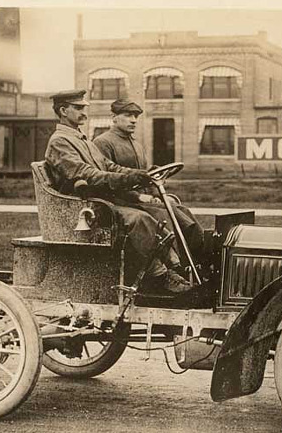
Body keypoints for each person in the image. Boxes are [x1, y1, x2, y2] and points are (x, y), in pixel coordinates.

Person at [44, 89, 190, 294]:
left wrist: (140, 174)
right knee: (139, 218)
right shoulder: (59, 141)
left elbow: (109, 166)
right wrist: (129, 178)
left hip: (100, 202)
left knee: (155, 214)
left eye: (84, 107)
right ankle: (160, 275)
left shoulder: (82, 139)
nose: (83, 112)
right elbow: (88, 174)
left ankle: (176, 266)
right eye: (78, 108)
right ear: (63, 111)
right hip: (85, 208)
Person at [93, 99, 205, 265]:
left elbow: (147, 177)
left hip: (141, 200)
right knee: (164, 217)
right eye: (128, 115)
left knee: (181, 211)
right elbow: (105, 181)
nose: (133, 120)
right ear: (114, 118)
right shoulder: (103, 142)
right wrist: (137, 197)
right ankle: (174, 268)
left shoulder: (137, 144)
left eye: (136, 116)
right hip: (120, 202)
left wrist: (155, 195)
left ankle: (197, 260)